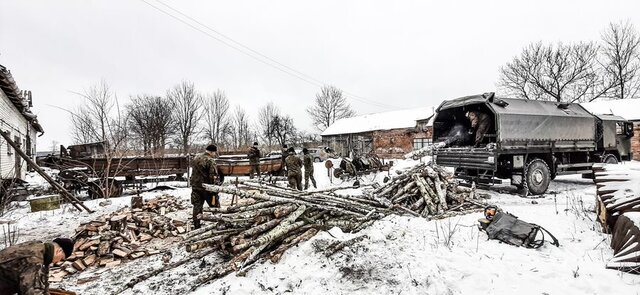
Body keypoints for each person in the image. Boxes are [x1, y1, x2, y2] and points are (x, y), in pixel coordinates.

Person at [0, 237, 74, 294]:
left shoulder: (40, 250)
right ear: (59, 251)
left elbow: (43, 285)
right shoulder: (35, 259)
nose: (58, 262)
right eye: (61, 258)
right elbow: (31, 290)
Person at [190, 144, 222, 229]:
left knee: (197, 206)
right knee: (215, 206)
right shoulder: (210, 160)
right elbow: (213, 176)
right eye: (215, 152)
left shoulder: (196, 157)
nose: (215, 154)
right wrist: (215, 188)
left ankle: (197, 225)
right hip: (207, 188)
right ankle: (221, 222)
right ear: (212, 152)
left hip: (195, 186)